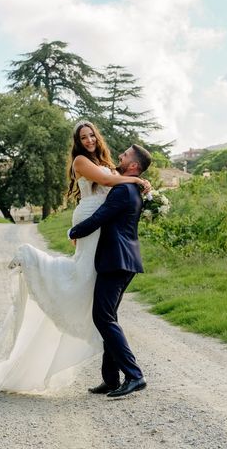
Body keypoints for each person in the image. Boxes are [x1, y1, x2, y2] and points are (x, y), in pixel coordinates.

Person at [0, 121, 151, 393]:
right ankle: (115, 377)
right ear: (78, 142)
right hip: (100, 237)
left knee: (103, 314)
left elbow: (111, 180)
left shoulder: (114, 173)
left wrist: (137, 179)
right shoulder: (84, 162)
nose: (90, 139)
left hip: (111, 250)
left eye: (92, 134)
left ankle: (128, 375)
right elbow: (106, 180)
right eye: (84, 137)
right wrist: (136, 179)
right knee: (101, 308)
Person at [68, 143, 152, 397]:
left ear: (134, 165)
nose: (119, 157)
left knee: (102, 318)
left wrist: (74, 231)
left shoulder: (124, 190)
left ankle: (134, 375)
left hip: (117, 261)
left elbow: (99, 218)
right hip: (121, 260)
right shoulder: (129, 186)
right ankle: (111, 379)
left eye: (125, 155)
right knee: (108, 317)